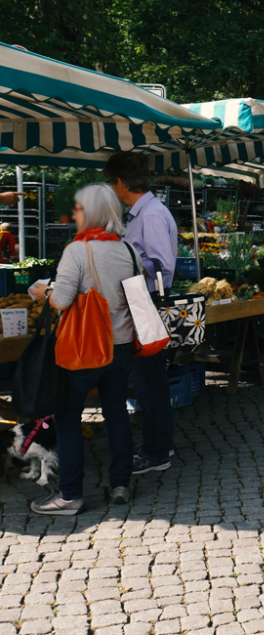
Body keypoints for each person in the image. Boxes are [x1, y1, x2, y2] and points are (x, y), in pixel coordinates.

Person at [28, 185, 137, 514]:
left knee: (68, 418)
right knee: (117, 414)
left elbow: (60, 300)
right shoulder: (129, 250)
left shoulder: (78, 250)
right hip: (122, 346)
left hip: (86, 350)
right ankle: (120, 485)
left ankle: (70, 495)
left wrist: (43, 291)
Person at [103, 153, 177, 475]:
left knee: (150, 382)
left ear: (121, 183)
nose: (112, 189)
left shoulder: (150, 216)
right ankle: (161, 444)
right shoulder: (142, 213)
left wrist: (125, 264)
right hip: (141, 302)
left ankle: (158, 451)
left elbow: (162, 265)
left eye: (111, 183)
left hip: (147, 303)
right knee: (149, 380)